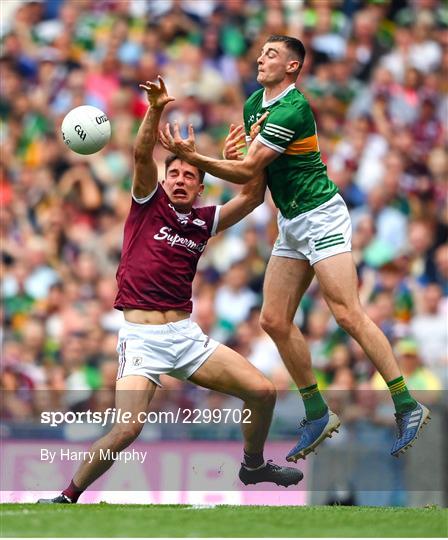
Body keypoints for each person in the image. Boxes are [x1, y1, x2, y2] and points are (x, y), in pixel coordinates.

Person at [158, 35, 430, 461]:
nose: (260, 58)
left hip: (320, 214)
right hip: (290, 222)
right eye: (261, 52)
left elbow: (249, 166)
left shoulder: (293, 107)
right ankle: (317, 412)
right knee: (273, 319)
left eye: (271, 54)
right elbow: (254, 182)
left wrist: (198, 158)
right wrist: (228, 161)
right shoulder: (253, 105)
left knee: (346, 312)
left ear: (292, 67)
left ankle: (406, 404)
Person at [38, 77, 302, 504]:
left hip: (185, 337)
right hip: (142, 337)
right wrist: (156, 108)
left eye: (189, 176)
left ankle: (253, 465)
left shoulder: (204, 220)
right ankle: (67, 496)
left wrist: (246, 158)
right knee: (127, 428)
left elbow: (253, 197)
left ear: (201, 188)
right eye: (173, 173)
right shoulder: (147, 203)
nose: (179, 179)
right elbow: (143, 153)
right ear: (163, 182)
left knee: (263, 390)